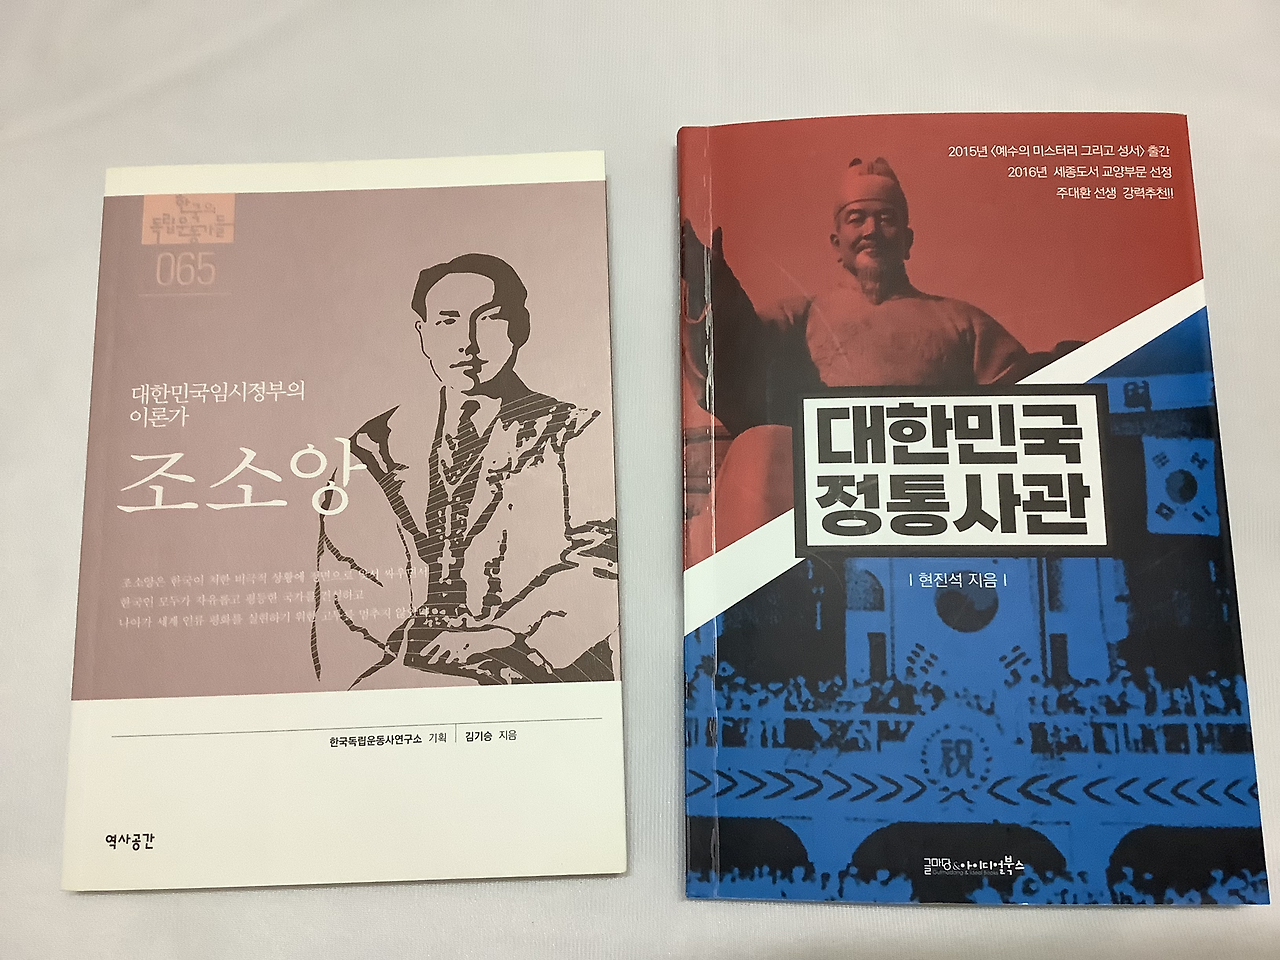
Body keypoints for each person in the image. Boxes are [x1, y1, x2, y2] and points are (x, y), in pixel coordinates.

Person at [310, 253, 618, 689]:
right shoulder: (375, 445)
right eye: (447, 321)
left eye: (488, 319)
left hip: (542, 676)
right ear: (423, 334)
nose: (467, 343)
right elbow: (347, 587)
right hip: (409, 680)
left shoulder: (574, 431)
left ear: (521, 327)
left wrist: (503, 635)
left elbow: (606, 563)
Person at [682, 156, 1032, 438]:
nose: (871, 231)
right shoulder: (798, 316)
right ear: (836, 244)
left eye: (886, 219)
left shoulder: (964, 323)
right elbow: (735, 368)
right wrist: (710, 286)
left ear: (907, 241)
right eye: (856, 219)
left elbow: (1025, 399)